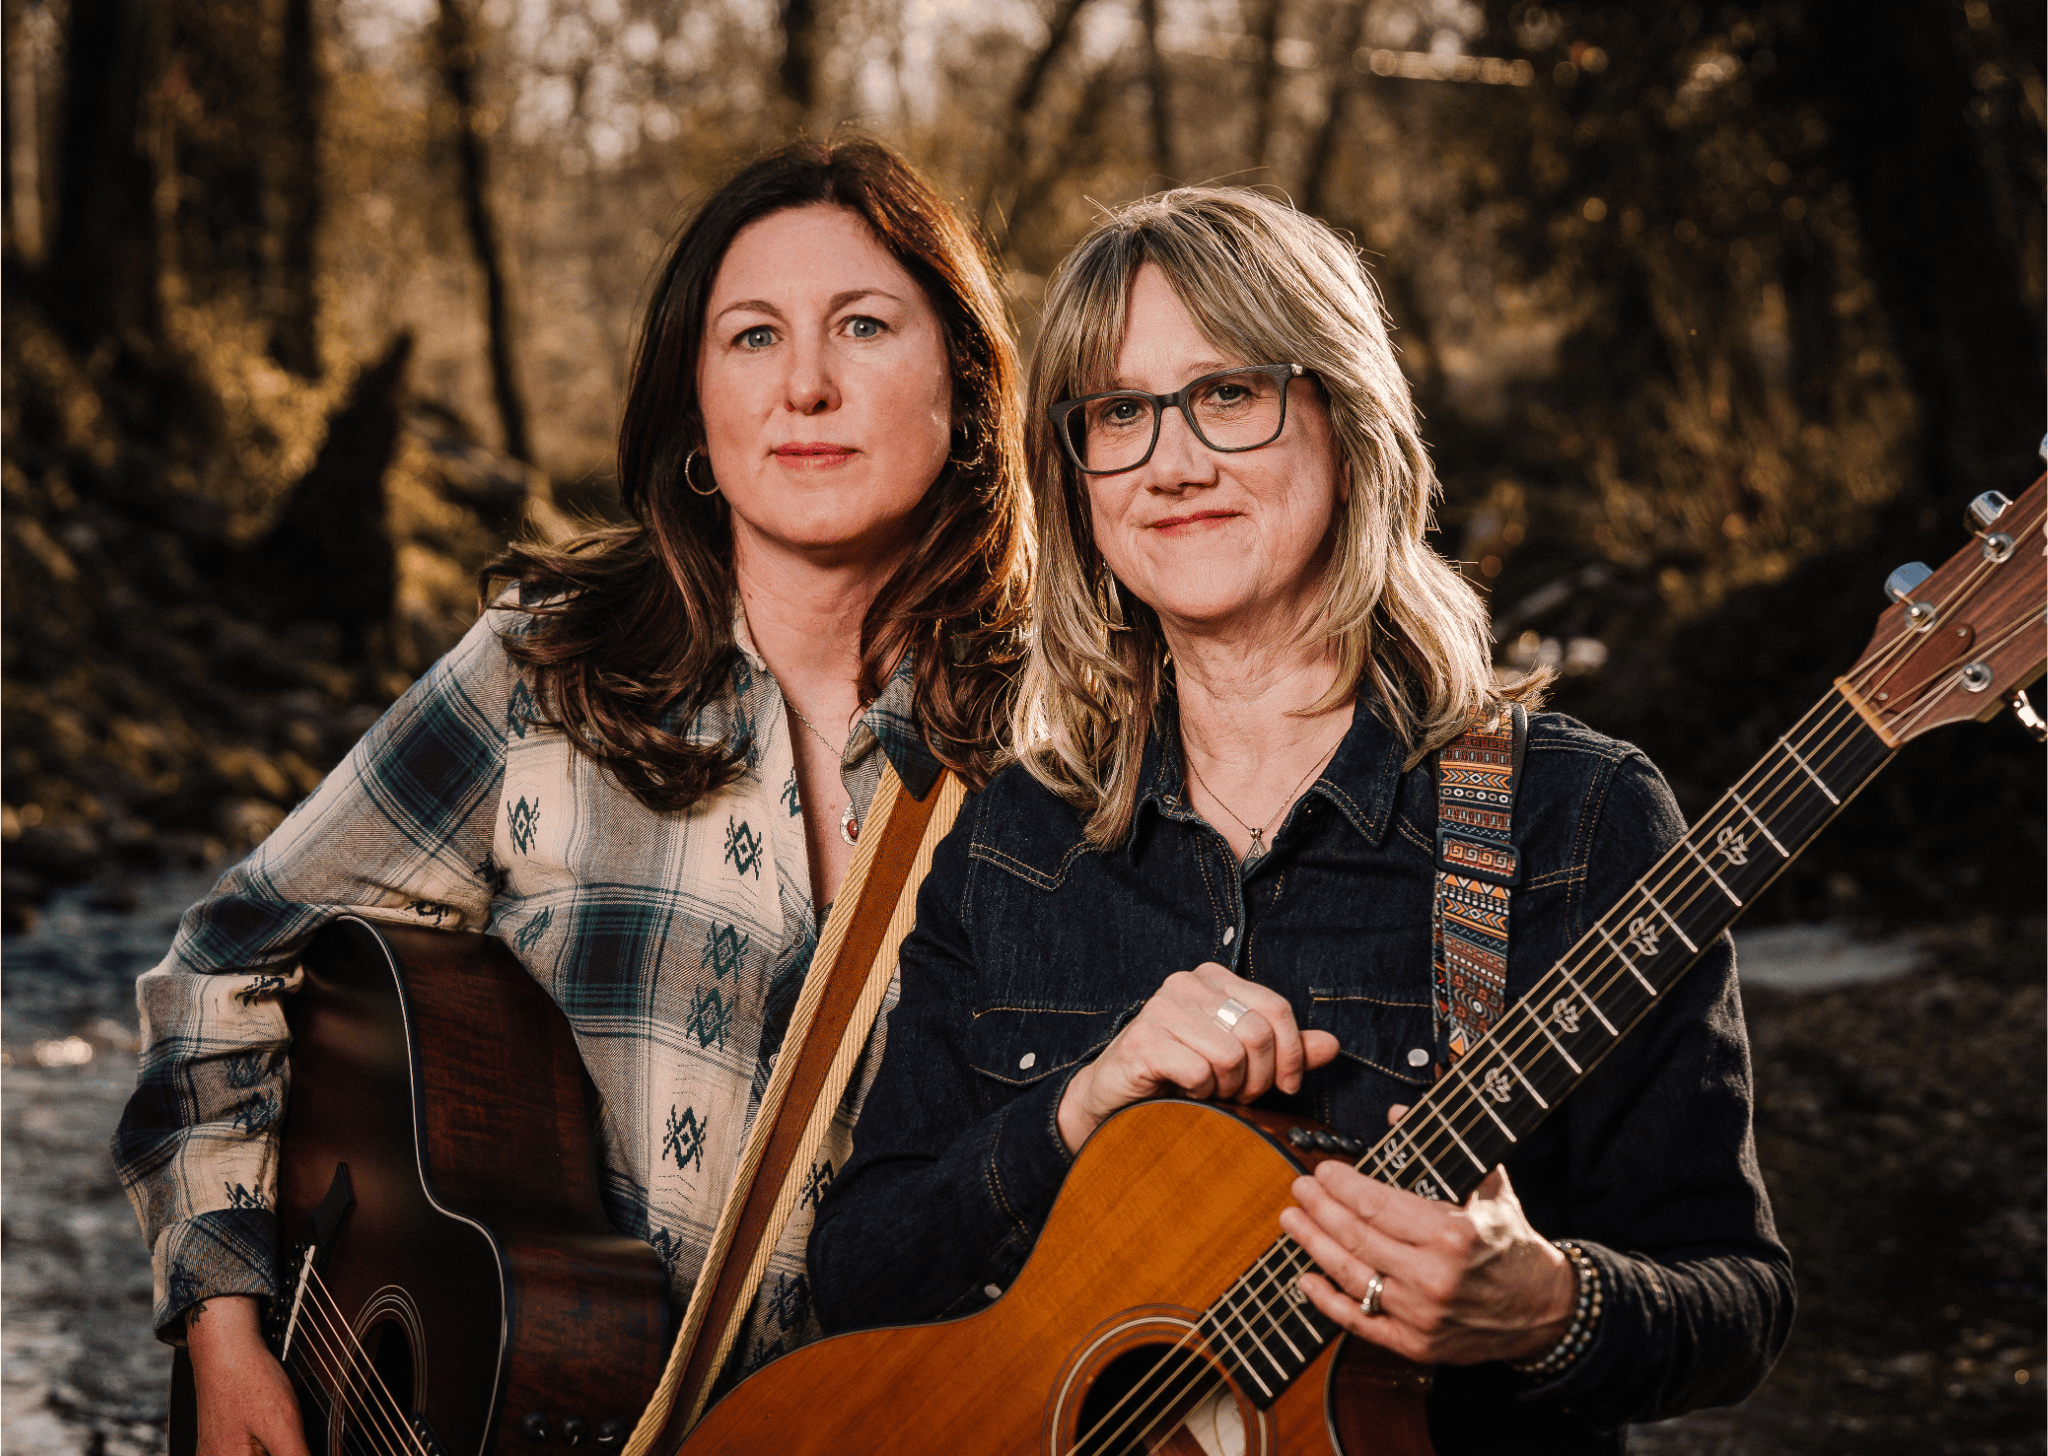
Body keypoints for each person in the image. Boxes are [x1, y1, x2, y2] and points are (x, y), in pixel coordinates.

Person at [809, 187, 1792, 1452]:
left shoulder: (1573, 814)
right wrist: (1076, 1108)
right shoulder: (1016, 839)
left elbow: (1735, 1297)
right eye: (1116, 412)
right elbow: (860, 1274)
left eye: (1227, 394)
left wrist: (1547, 1306)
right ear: (1076, 478)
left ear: (1347, 419)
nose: (1170, 462)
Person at [113, 136, 1031, 1456]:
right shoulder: (549, 673)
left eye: (866, 326)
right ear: (696, 411)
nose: (808, 386)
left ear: (962, 386)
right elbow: (224, 971)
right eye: (754, 337)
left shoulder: (1061, 744)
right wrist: (227, 1334)